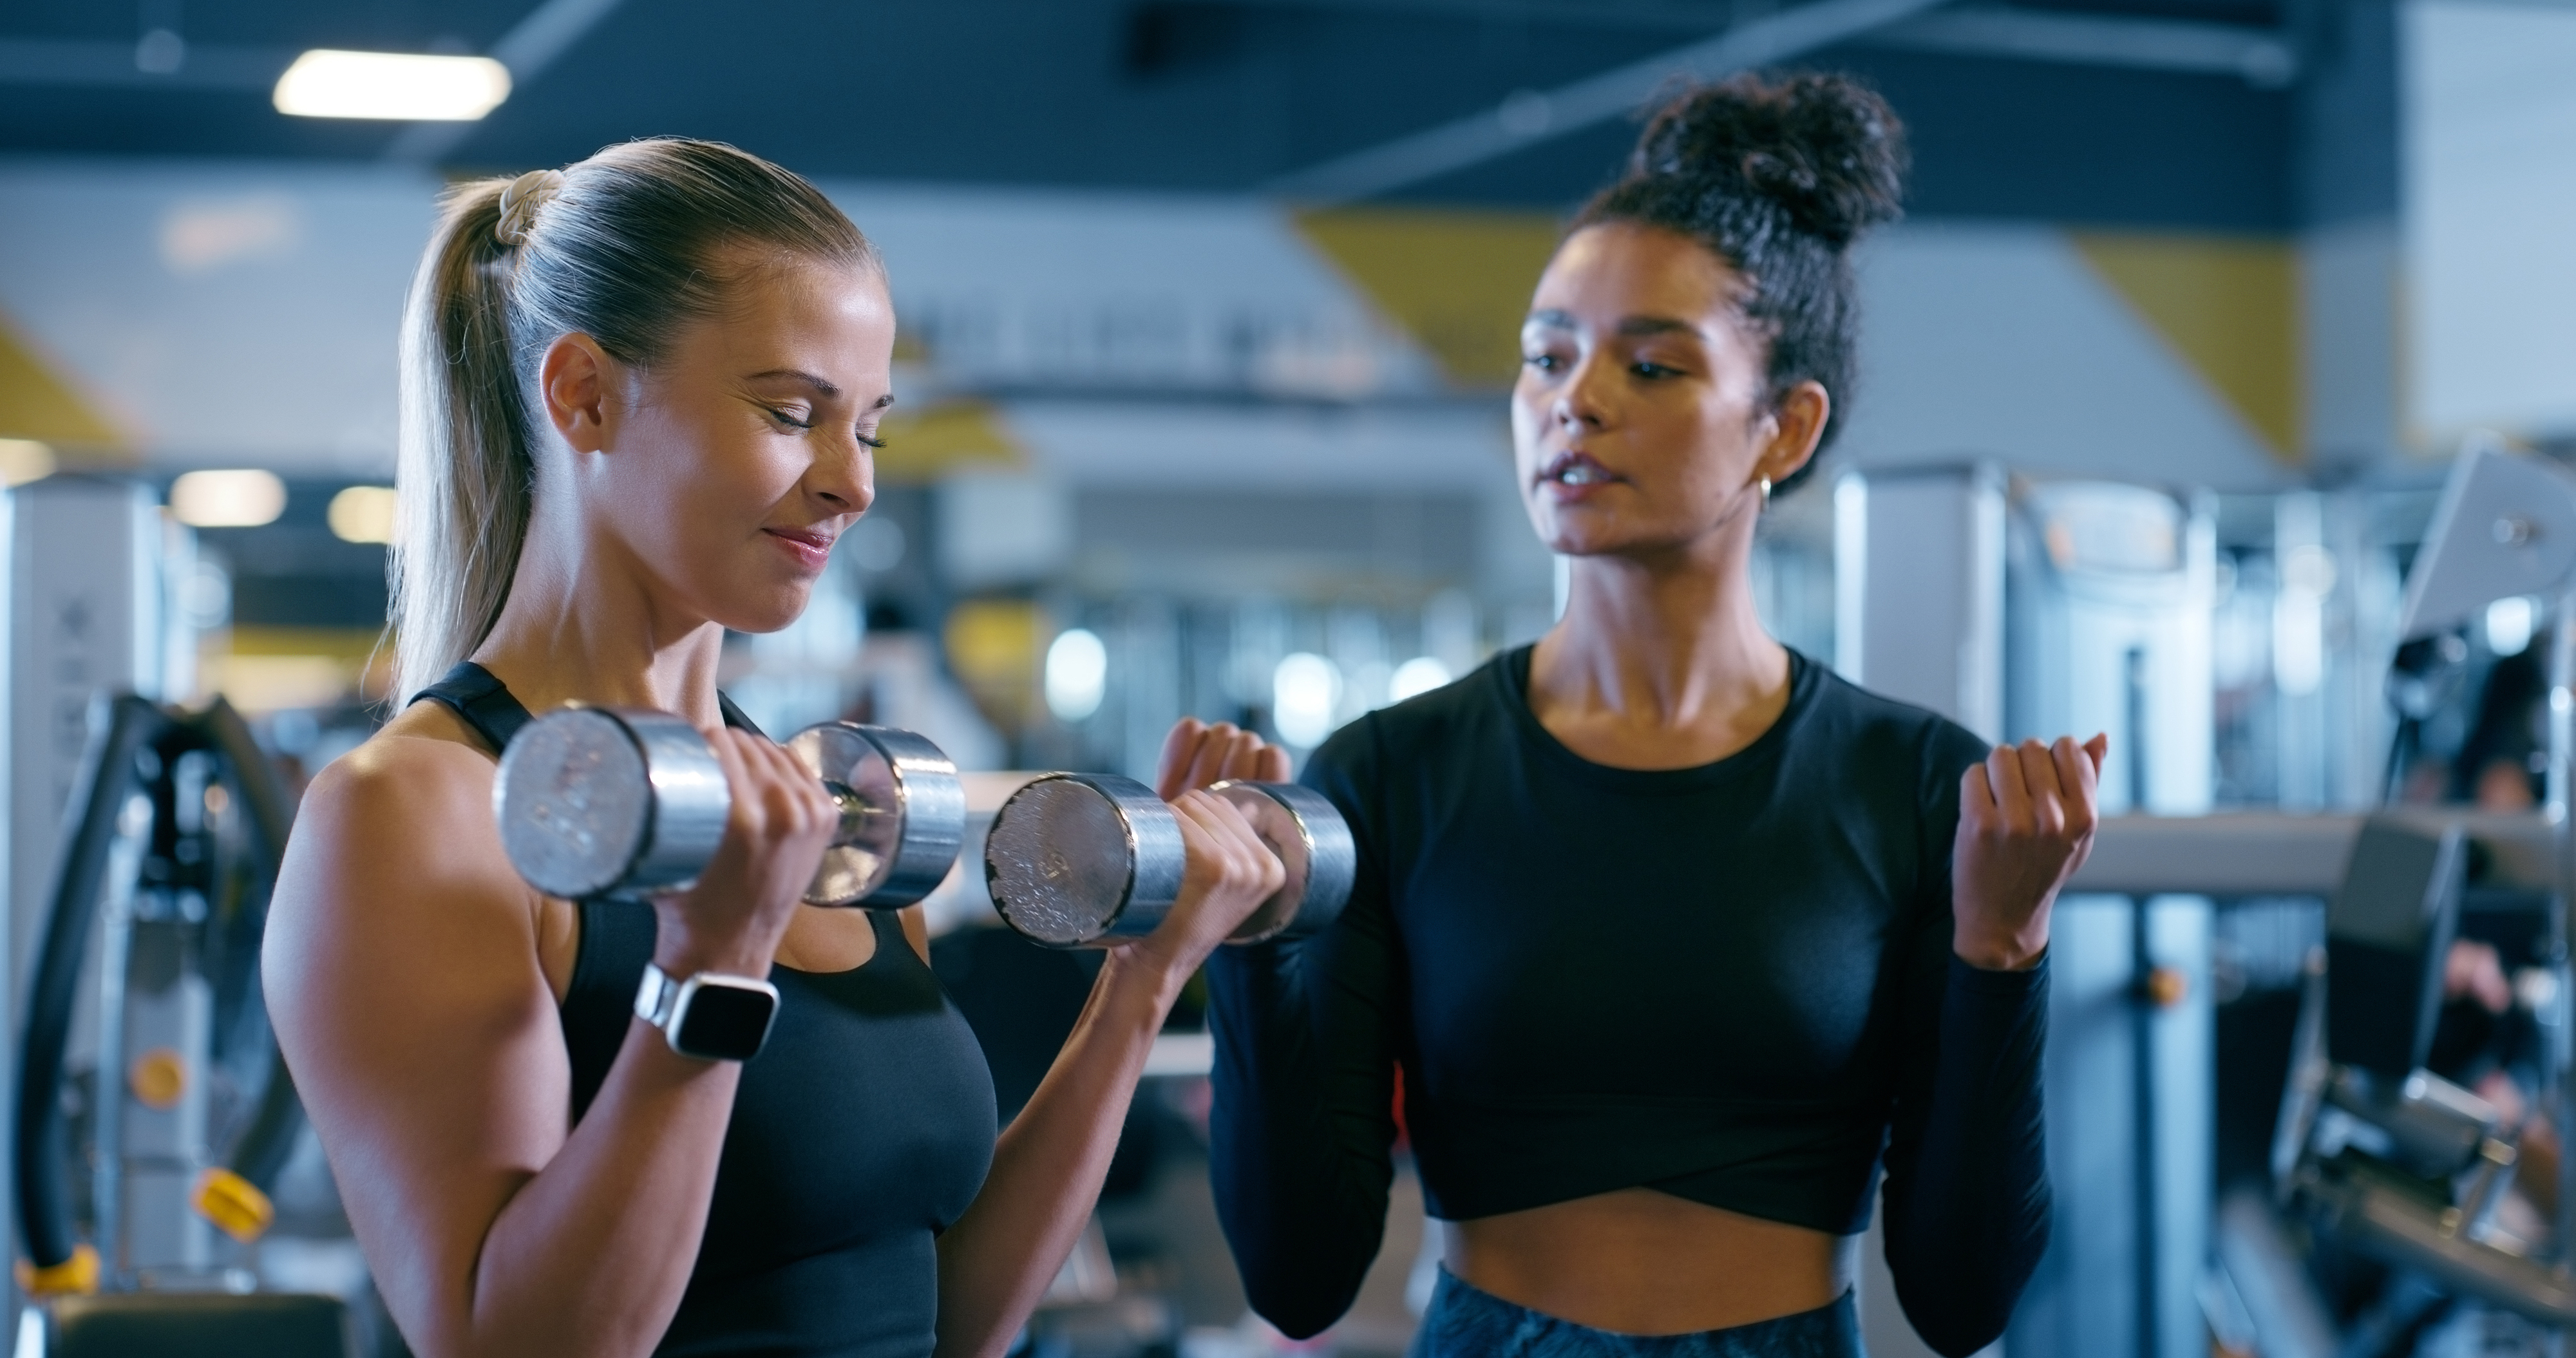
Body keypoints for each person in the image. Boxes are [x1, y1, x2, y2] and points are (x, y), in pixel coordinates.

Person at [263, 138, 1285, 1358]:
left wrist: (1144, 978)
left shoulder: (830, 812)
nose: (851, 483)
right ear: (584, 393)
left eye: (872, 431)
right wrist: (708, 970)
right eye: (792, 413)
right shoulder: (413, 813)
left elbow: (942, 1315)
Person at [1169, 74, 2105, 1358]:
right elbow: (1298, 1274)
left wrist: (2002, 950)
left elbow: (1959, 1297)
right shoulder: (1392, 772)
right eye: (1545, 355)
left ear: (1783, 426)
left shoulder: (1908, 779)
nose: (1575, 398)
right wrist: (1252, 939)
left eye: (1648, 362)